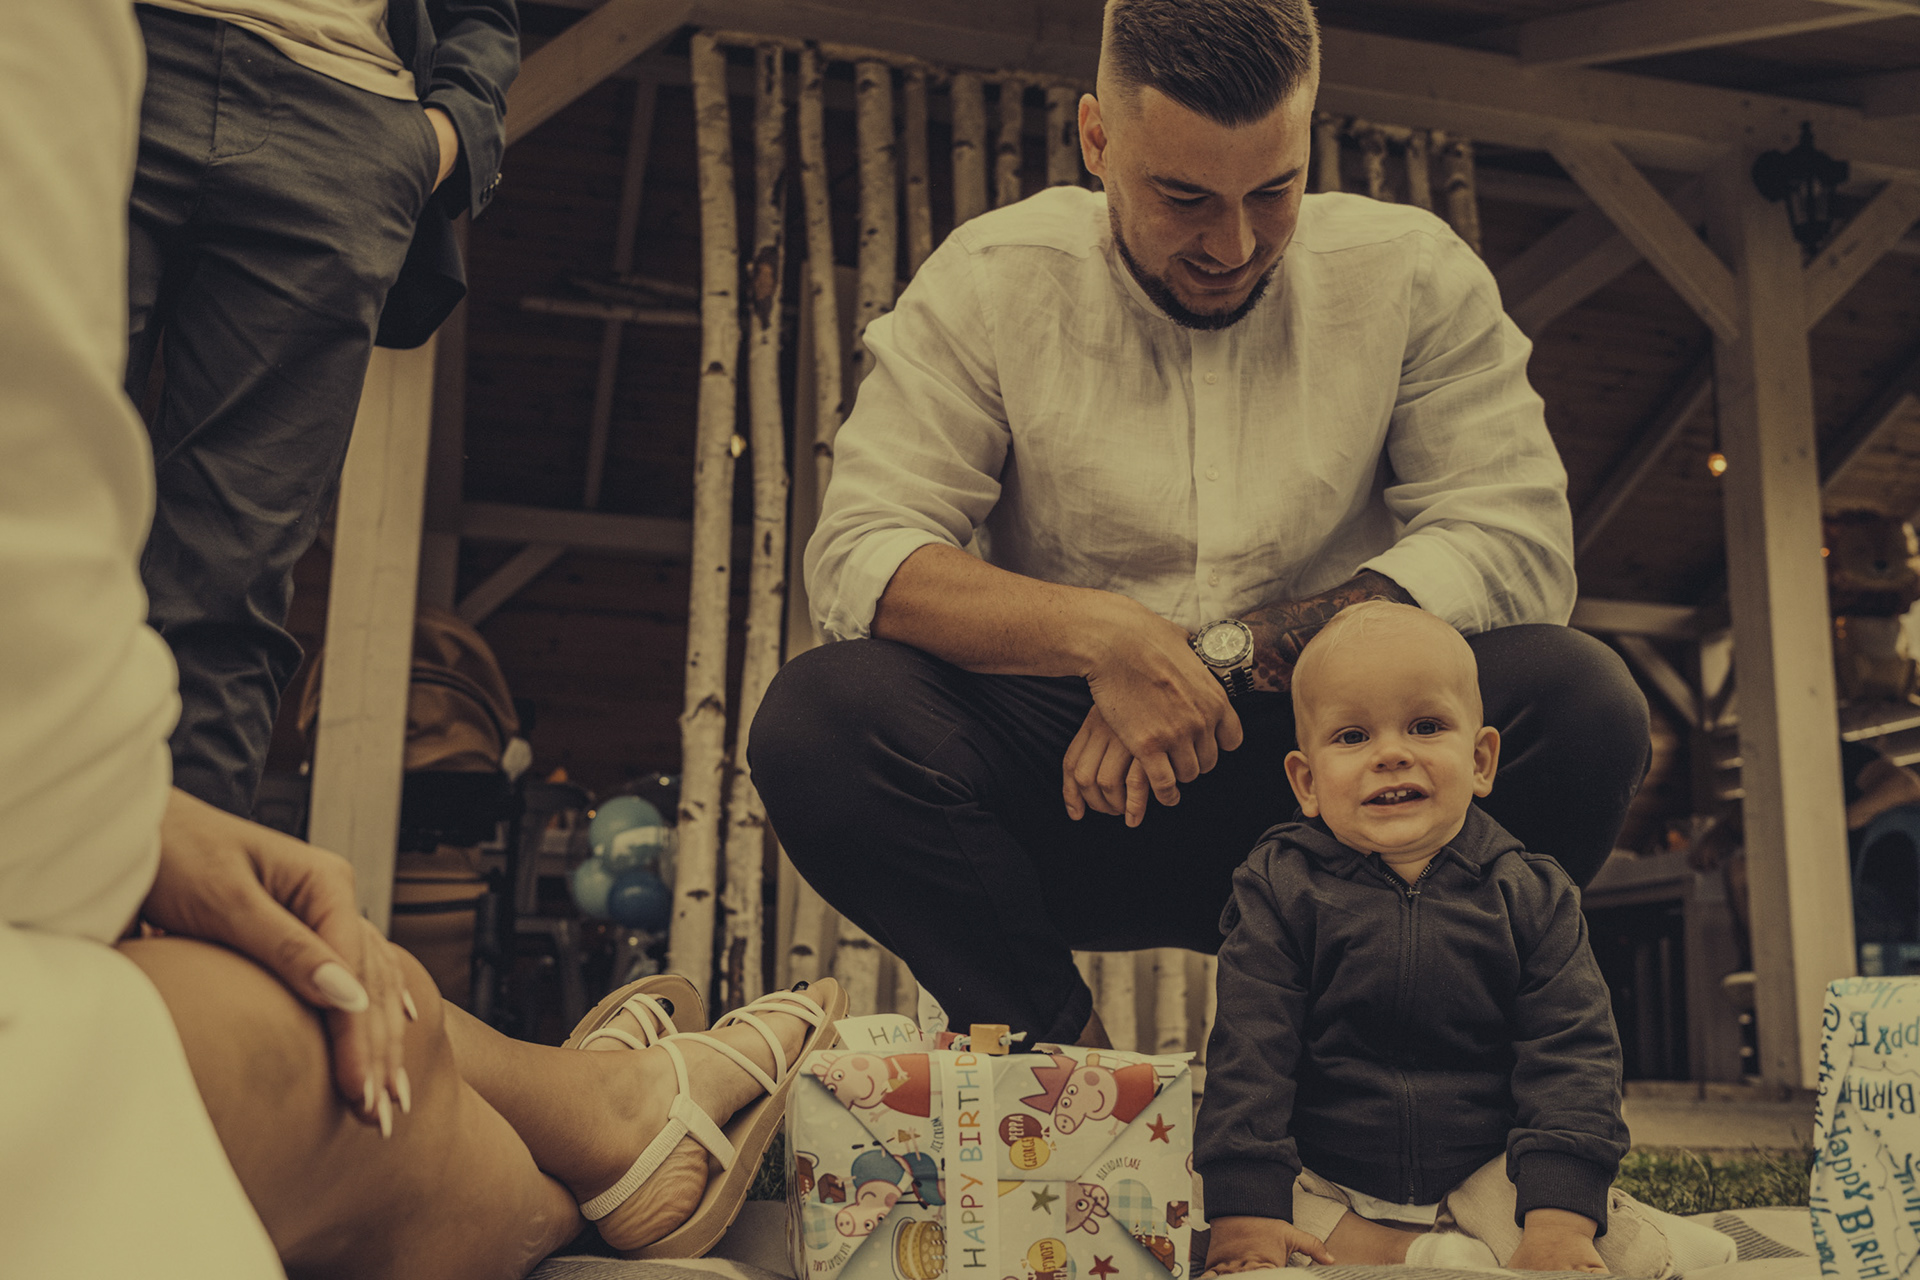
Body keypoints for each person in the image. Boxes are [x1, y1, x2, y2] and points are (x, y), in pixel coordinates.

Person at [1, 6, 840, 1276]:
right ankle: (594, 1141)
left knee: (225, 623)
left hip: (340, 101)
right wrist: (116, 836)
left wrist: (442, 132)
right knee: (324, 1040)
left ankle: (597, 1115)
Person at [749, 0, 1648, 1046]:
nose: (1235, 243)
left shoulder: (1414, 272)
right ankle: (1065, 1069)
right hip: (1078, 788)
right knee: (821, 719)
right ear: (1097, 139)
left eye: (1274, 191)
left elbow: (1515, 540)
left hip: (1339, 784)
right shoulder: (989, 278)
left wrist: (1215, 658)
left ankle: (1374, 1059)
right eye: (1184, 197)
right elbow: (863, 554)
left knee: (1582, 701)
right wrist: (1106, 640)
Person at [1193, 603, 1730, 1276]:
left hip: (1490, 1176)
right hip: (1326, 1173)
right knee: (1206, 1195)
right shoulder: (1278, 889)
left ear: (1480, 760)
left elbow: (1573, 1057)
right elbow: (1250, 1053)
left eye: (1425, 726)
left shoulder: (1534, 896)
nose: (1392, 754)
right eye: (1353, 736)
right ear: (1307, 781)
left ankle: (1649, 1240)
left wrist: (1558, 1225)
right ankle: (1423, 1254)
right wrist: (1246, 1217)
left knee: (1610, 1245)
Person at [127, 0, 517, 817]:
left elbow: (486, 13)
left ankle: (175, 892)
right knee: (28, 500)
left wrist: (441, 136)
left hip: (342, 112)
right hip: (100, 53)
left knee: (229, 584)